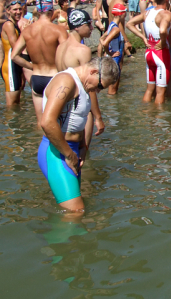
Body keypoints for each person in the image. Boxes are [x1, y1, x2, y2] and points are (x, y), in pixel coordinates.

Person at [38, 56, 119, 213]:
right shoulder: (66, 82)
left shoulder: (84, 85)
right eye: (101, 86)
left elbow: (76, 119)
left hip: (72, 151)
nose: (98, 91)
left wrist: (82, 147)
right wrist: (69, 154)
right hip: (57, 152)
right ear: (94, 71)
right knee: (75, 212)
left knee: (72, 210)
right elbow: (47, 122)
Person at [11, 0, 69, 129]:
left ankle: (42, 148)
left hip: (36, 78)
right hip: (55, 78)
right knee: (58, 122)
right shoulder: (58, 30)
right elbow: (67, 53)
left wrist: (31, 66)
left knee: (41, 123)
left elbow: (14, 56)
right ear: (51, 11)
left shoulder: (27, 30)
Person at [55, 9, 106, 148]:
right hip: (80, 105)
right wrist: (98, 117)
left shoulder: (60, 47)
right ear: (77, 26)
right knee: (82, 152)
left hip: (64, 106)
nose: (91, 28)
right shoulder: (82, 50)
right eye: (88, 24)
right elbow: (89, 87)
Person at [126, 0, 171, 104]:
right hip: (160, 53)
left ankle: (147, 114)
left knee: (149, 89)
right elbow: (163, 30)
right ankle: (159, 120)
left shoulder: (147, 12)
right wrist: (163, 42)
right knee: (160, 92)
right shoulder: (166, 14)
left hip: (149, 52)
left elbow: (129, 24)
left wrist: (143, 37)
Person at [0, 0, 25, 105]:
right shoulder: (9, 25)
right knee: (12, 105)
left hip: (16, 64)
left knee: (17, 102)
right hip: (10, 66)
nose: (18, 12)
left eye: (20, 9)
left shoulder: (15, 25)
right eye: (15, 10)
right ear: (8, 11)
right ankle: (9, 121)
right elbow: (16, 47)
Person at [100, 3, 127, 95]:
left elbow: (101, 38)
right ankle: (112, 107)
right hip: (114, 60)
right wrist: (110, 53)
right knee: (112, 90)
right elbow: (105, 42)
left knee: (112, 89)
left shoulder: (111, 25)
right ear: (122, 14)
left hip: (114, 60)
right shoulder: (116, 29)